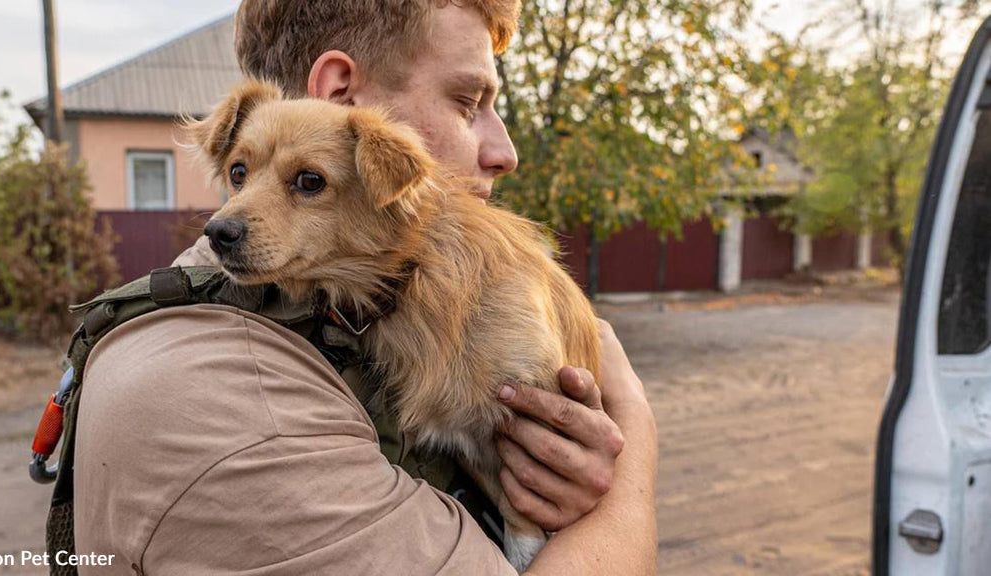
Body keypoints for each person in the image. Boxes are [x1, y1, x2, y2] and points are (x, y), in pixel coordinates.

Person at [72, 1, 658, 574]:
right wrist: (634, 439)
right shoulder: (228, 401)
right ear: (337, 93)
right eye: (466, 102)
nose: (505, 152)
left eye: (304, 181)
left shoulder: (364, 308)